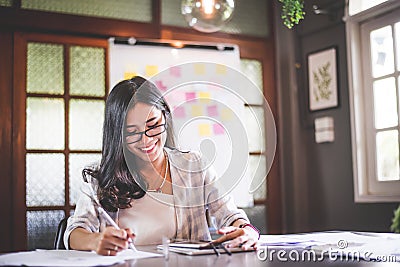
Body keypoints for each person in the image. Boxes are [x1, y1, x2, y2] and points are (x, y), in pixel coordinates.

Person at [64, 76, 260, 255]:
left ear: (165, 116)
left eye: (153, 125)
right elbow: (74, 232)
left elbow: (230, 215)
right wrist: (96, 240)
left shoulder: (194, 167)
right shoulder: (100, 179)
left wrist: (247, 231)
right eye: (133, 132)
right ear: (118, 135)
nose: (146, 139)